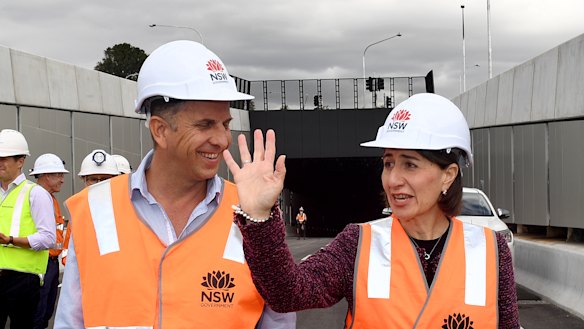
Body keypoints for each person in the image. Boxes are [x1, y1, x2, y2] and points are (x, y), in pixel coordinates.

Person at [224, 93, 520, 328]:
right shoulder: (358, 244)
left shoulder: (491, 252)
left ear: (448, 175)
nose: (393, 179)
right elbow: (287, 293)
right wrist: (260, 219)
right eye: (388, 162)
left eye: (410, 164)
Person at [54, 40, 295, 328]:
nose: (222, 140)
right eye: (205, 125)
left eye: (225, 124)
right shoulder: (94, 209)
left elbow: (279, 319)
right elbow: (70, 321)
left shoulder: (252, 214)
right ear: (160, 130)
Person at [0, 129, 56, 329]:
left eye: (4, 158)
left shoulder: (36, 194)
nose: (0, 163)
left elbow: (49, 238)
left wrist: (11, 240)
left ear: (21, 161)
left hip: (23, 280)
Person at [29, 153, 69, 329]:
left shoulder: (51, 199)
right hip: (40, 262)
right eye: (59, 175)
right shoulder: (35, 197)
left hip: (51, 264)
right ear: (46, 175)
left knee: (46, 312)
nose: (62, 180)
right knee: (37, 313)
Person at [60, 149, 119, 266]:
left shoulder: (124, 208)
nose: (98, 184)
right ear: (84, 180)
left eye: (104, 179)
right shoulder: (77, 211)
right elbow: (67, 254)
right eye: (93, 179)